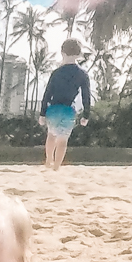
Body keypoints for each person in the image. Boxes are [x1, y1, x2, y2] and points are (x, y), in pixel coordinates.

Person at [38, 40, 93, 171]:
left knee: (51, 135)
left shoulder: (56, 72)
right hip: (69, 110)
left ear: (62, 53)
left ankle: (48, 160)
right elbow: (86, 96)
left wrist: (42, 113)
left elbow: (47, 94)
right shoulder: (82, 74)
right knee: (63, 141)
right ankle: (56, 167)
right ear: (79, 54)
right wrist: (86, 115)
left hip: (54, 109)